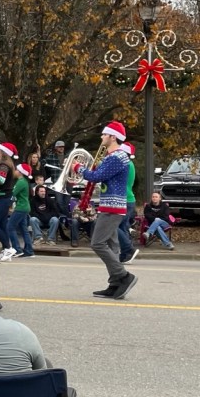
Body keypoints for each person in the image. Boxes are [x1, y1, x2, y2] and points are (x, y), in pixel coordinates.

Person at [74, 121, 136, 300]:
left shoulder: (117, 157)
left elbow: (97, 176)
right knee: (111, 245)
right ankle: (115, 284)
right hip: (111, 205)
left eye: (104, 134)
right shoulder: (116, 156)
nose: (101, 137)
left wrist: (78, 168)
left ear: (113, 137)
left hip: (112, 207)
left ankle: (124, 276)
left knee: (97, 243)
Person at [6, 162, 34, 258]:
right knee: (23, 229)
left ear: (21, 172)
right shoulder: (24, 181)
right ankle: (29, 250)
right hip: (24, 207)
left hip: (20, 207)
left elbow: (12, 194)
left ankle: (17, 250)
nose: (15, 171)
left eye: (16, 170)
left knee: (10, 227)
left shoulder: (21, 182)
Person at [117, 142, 139, 263]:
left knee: (113, 226)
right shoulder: (129, 163)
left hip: (124, 200)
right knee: (122, 227)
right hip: (129, 200)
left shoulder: (124, 164)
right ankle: (125, 255)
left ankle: (128, 249)